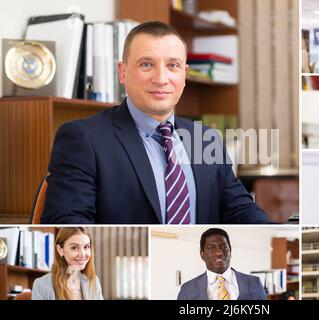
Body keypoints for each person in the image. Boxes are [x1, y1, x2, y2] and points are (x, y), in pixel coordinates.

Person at [41, 21, 272, 224]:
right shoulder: (83, 139)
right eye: (146, 64)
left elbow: (240, 209)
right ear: (122, 72)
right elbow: (70, 222)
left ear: (184, 74)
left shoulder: (205, 138)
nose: (161, 79)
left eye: (173, 66)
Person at [177, 228, 267, 300]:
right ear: (202, 254)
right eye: (211, 248)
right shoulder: (187, 290)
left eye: (224, 247)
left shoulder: (254, 283)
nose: (219, 252)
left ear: (230, 251)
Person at [32, 227, 103, 300]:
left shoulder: (93, 281)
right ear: (60, 250)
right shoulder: (41, 284)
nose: (82, 254)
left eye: (86, 247)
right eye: (74, 247)